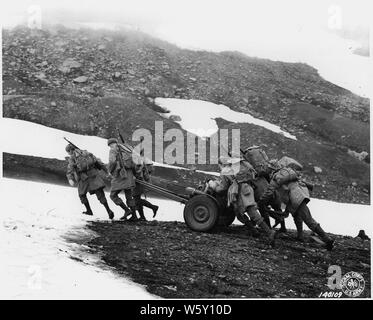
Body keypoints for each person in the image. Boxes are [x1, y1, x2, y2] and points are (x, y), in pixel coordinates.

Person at [258, 164, 334, 251]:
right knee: (296, 215)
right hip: (300, 193)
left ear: (271, 170)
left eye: (268, 170)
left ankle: (327, 239)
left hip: (295, 196)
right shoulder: (287, 172)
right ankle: (300, 236)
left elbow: (268, 193)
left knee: (308, 220)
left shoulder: (276, 178)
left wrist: (260, 202)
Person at [207, 156, 276, 246]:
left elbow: (222, 188)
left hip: (242, 191)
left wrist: (213, 186)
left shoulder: (225, 171)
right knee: (239, 213)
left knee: (252, 212)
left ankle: (269, 232)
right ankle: (254, 231)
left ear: (221, 164)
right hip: (246, 189)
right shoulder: (234, 168)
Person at [66, 144, 114, 219]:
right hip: (94, 175)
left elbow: (70, 169)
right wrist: (107, 172)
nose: (68, 154)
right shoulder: (87, 153)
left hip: (83, 178)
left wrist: (70, 178)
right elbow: (99, 163)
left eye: (68, 152)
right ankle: (109, 211)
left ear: (70, 150)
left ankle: (89, 211)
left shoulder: (73, 158)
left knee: (82, 194)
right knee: (100, 194)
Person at [107, 138, 137, 221]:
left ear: (112, 144)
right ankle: (134, 215)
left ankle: (127, 210)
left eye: (110, 145)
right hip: (129, 174)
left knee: (113, 195)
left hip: (120, 175)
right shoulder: (127, 148)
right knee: (129, 196)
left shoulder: (113, 150)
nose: (110, 147)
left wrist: (109, 171)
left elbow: (112, 162)